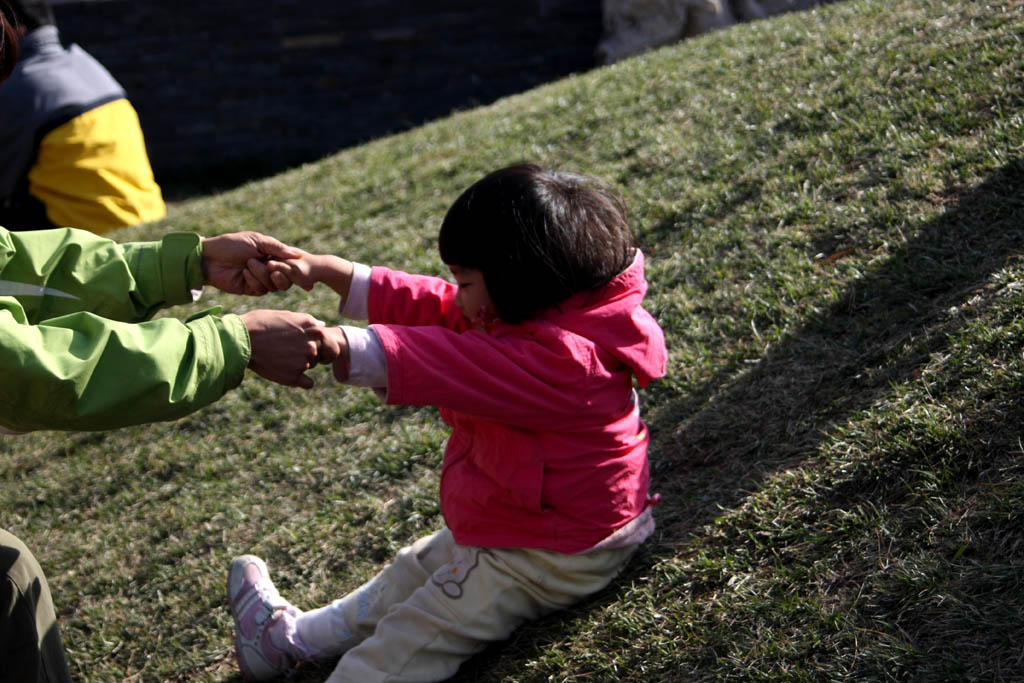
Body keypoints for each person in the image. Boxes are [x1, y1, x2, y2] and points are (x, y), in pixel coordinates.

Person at [227, 163, 668, 682]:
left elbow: (439, 357)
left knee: (413, 636)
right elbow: (440, 310)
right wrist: (332, 271)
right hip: (525, 523)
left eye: (466, 282)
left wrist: (339, 344)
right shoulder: (550, 309)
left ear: (516, 281)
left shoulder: (566, 362)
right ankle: (289, 642)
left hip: (550, 551)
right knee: (410, 572)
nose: (455, 294)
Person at [0, 0, 166, 233]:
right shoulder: (85, 63)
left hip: (88, 229)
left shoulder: (20, 85)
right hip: (148, 213)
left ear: (17, 29)